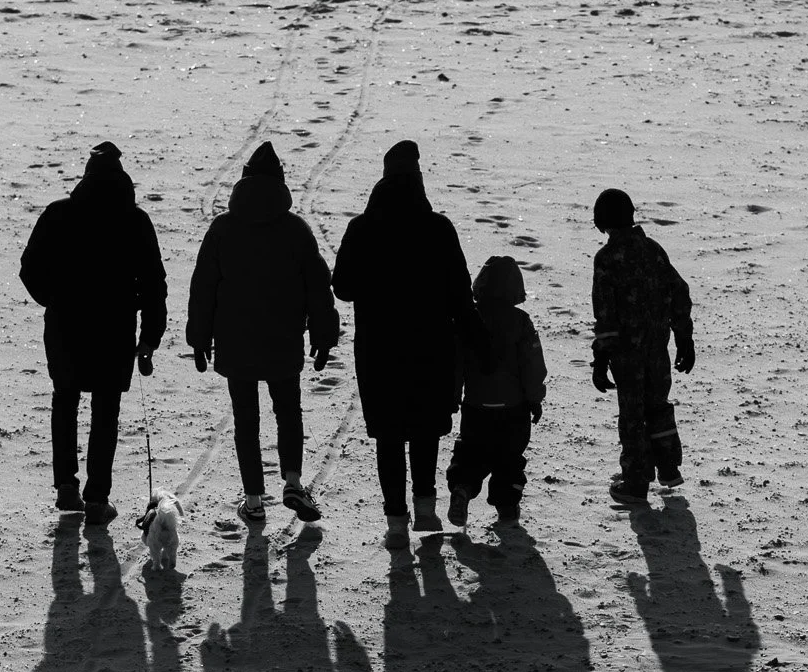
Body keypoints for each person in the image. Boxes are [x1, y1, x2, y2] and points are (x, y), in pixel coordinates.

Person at [333, 139, 491, 549]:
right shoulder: (438, 227)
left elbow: (343, 287)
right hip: (431, 346)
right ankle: (424, 507)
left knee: (388, 436)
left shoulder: (362, 227)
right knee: (424, 430)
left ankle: (396, 522)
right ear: (419, 181)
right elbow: (461, 297)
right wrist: (482, 343)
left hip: (378, 348)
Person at [185, 141, 339, 522]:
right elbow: (318, 288)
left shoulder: (222, 227)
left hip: (236, 342)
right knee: (288, 410)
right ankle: (292, 482)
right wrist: (323, 337)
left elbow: (203, 287)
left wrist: (199, 339)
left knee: (246, 420)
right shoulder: (295, 229)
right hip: (283, 338)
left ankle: (253, 502)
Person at [20, 141, 167, 527]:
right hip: (114, 328)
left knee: (64, 401)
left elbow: (29, 269)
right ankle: (97, 499)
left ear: (86, 177)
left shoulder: (59, 214)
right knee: (106, 411)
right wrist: (151, 336)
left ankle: (66, 486)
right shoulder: (135, 221)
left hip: (65, 325)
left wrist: (52, 299)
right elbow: (154, 283)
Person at [590, 187, 694, 505]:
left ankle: (635, 483)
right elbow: (679, 291)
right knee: (659, 407)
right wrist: (684, 337)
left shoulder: (607, 259)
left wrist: (600, 359)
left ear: (600, 222)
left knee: (633, 417)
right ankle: (668, 467)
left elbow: (605, 313)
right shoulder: (653, 250)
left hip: (627, 356)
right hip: (657, 351)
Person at [446, 254, 547, 527]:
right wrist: (535, 398)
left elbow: (455, 363)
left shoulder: (469, 320)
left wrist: (453, 396)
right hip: (513, 409)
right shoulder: (521, 322)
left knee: (470, 452)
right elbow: (532, 366)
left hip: (476, 405)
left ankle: (462, 488)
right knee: (509, 459)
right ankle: (506, 508)